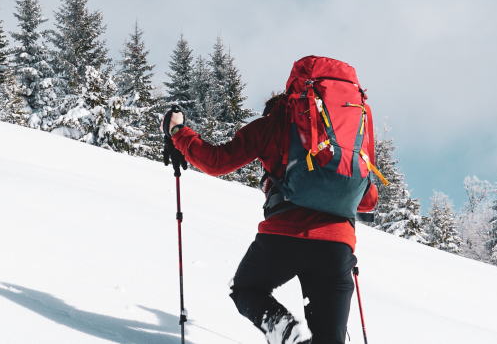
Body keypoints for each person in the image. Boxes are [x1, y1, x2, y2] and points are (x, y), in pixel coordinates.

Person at [162, 56, 378, 344]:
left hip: (285, 237)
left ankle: (287, 332)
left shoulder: (273, 123)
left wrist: (179, 132)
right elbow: (369, 201)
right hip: (337, 247)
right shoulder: (350, 133)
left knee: (246, 289)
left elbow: (215, 161)